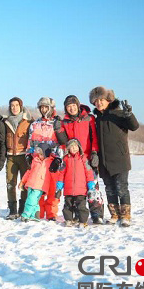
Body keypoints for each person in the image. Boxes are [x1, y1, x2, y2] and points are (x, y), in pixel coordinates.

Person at [90, 86, 139, 227]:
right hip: (104, 160)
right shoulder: (96, 119)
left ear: (108, 100)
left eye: (101, 100)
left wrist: (129, 114)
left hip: (120, 158)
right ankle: (114, 215)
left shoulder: (118, 113)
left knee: (121, 188)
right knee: (110, 188)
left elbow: (134, 126)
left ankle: (125, 216)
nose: (99, 103)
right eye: (96, 101)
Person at [55, 95, 102, 224]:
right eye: (68, 106)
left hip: (87, 157)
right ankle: (76, 214)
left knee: (93, 187)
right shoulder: (65, 122)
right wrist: (58, 130)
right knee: (75, 189)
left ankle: (96, 214)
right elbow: (63, 142)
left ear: (78, 105)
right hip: (72, 159)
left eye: (73, 105)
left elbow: (94, 137)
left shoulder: (89, 118)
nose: (71, 108)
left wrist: (94, 152)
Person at [26, 97, 62, 221]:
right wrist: (28, 154)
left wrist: (58, 158)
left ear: (51, 108)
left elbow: (60, 143)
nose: (44, 109)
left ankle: (51, 213)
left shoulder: (57, 123)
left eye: (46, 107)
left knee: (53, 188)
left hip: (52, 161)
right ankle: (39, 211)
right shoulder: (35, 124)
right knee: (38, 186)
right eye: (41, 107)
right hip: (38, 161)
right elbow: (30, 141)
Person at [3, 97, 33, 220]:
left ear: (21, 106)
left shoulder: (28, 121)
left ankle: (22, 209)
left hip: (24, 157)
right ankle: (12, 210)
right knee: (10, 184)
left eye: (16, 105)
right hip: (11, 157)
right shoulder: (5, 122)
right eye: (12, 105)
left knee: (25, 184)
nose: (14, 108)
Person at [55, 139, 96, 227]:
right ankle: (68, 220)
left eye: (76, 146)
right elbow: (61, 173)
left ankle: (82, 221)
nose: (74, 148)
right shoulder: (65, 159)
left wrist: (91, 183)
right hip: (69, 189)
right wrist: (59, 184)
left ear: (79, 147)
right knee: (68, 206)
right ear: (68, 149)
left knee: (81, 207)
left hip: (81, 189)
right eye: (72, 146)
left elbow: (88, 172)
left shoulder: (83, 158)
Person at [18, 143, 54, 222]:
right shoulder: (35, 160)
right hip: (31, 183)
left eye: (41, 154)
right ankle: (35, 215)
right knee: (34, 201)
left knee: (31, 200)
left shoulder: (49, 162)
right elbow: (29, 172)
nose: (39, 156)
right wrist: (23, 181)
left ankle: (25, 214)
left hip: (40, 186)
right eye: (38, 154)